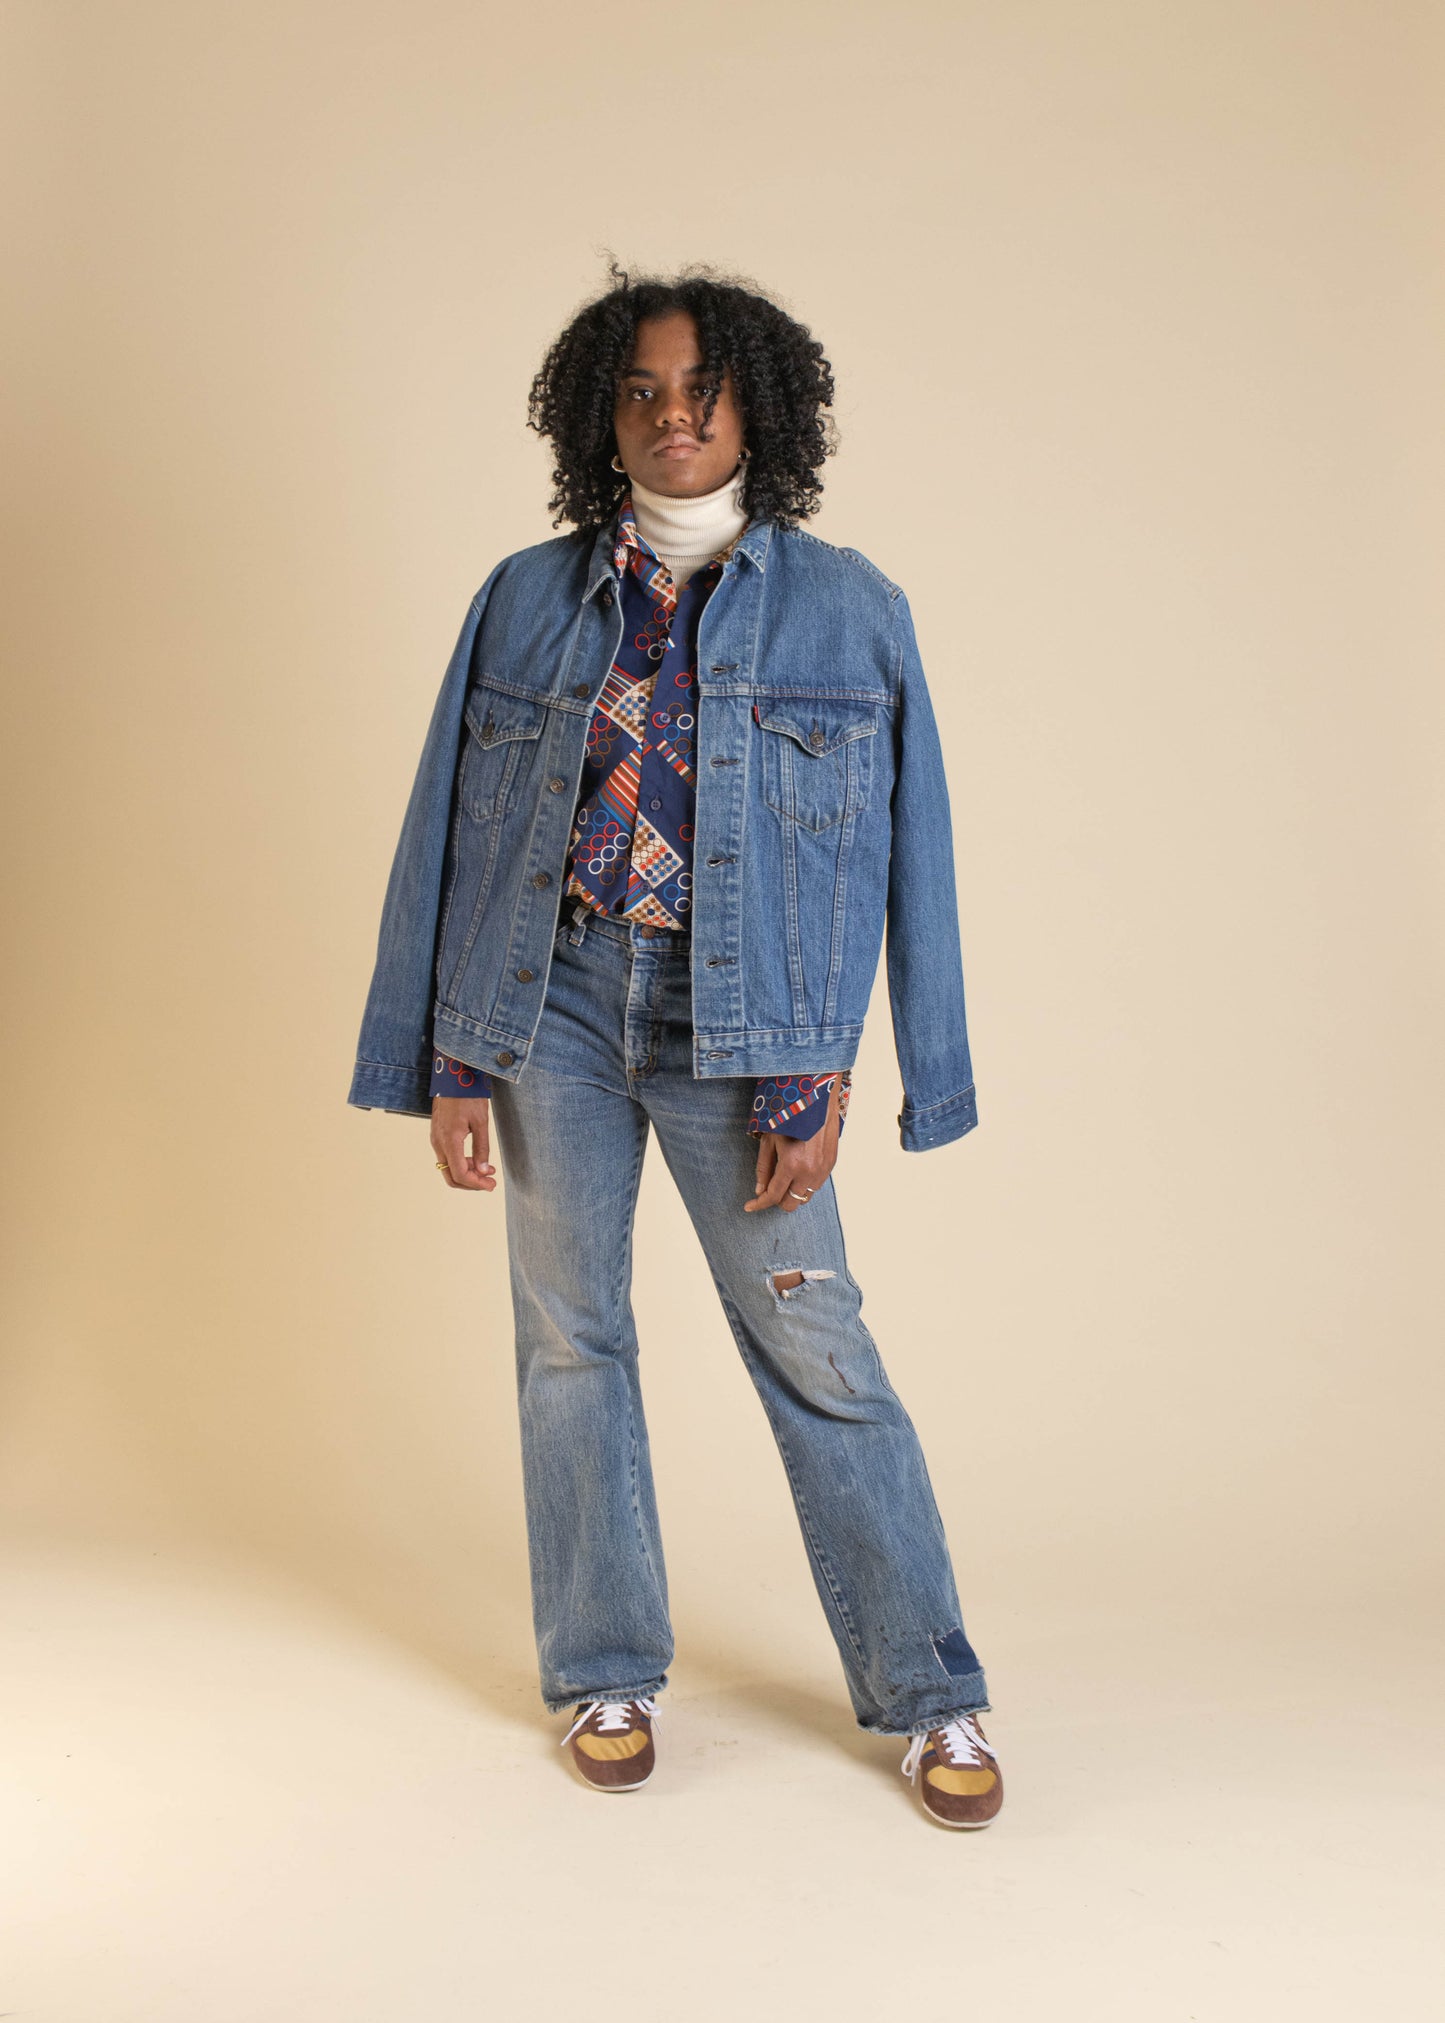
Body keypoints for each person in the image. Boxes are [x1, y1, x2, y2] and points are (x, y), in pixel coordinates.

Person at [347, 262, 1001, 1830]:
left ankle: (931, 1692)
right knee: (571, 1341)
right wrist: (450, 1057)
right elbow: (450, 833)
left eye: (700, 389)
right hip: (555, 1008)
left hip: (745, 1033)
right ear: (602, 413)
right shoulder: (524, 596)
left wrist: (823, 1076)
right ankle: (603, 1669)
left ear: (757, 410)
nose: (672, 416)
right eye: (640, 390)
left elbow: (903, 859)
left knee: (817, 1350)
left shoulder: (848, 606)